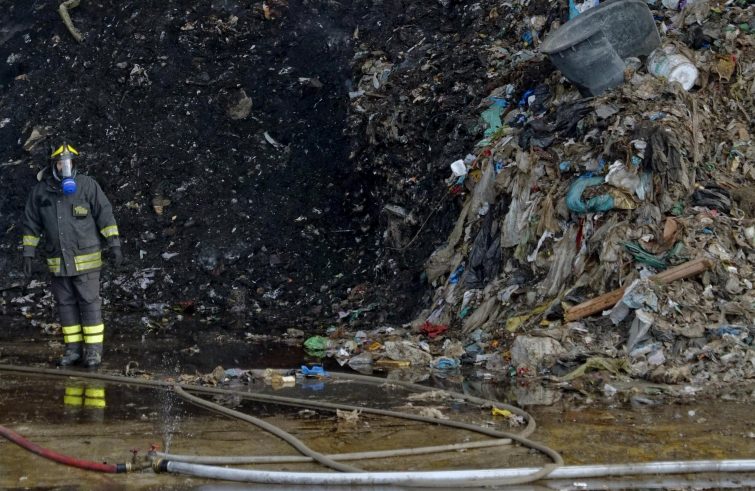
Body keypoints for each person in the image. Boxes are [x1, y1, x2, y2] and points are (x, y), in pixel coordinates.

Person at [21, 143, 123, 368]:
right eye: (60, 163)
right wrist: (28, 253)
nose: (64, 167)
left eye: (68, 163)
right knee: (65, 305)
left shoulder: (87, 185)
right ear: (53, 165)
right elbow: (31, 224)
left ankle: (93, 352)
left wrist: (114, 244)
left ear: (74, 164)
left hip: (86, 261)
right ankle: (73, 350)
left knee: (89, 304)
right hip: (58, 262)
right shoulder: (41, 191)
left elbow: (105, 215)